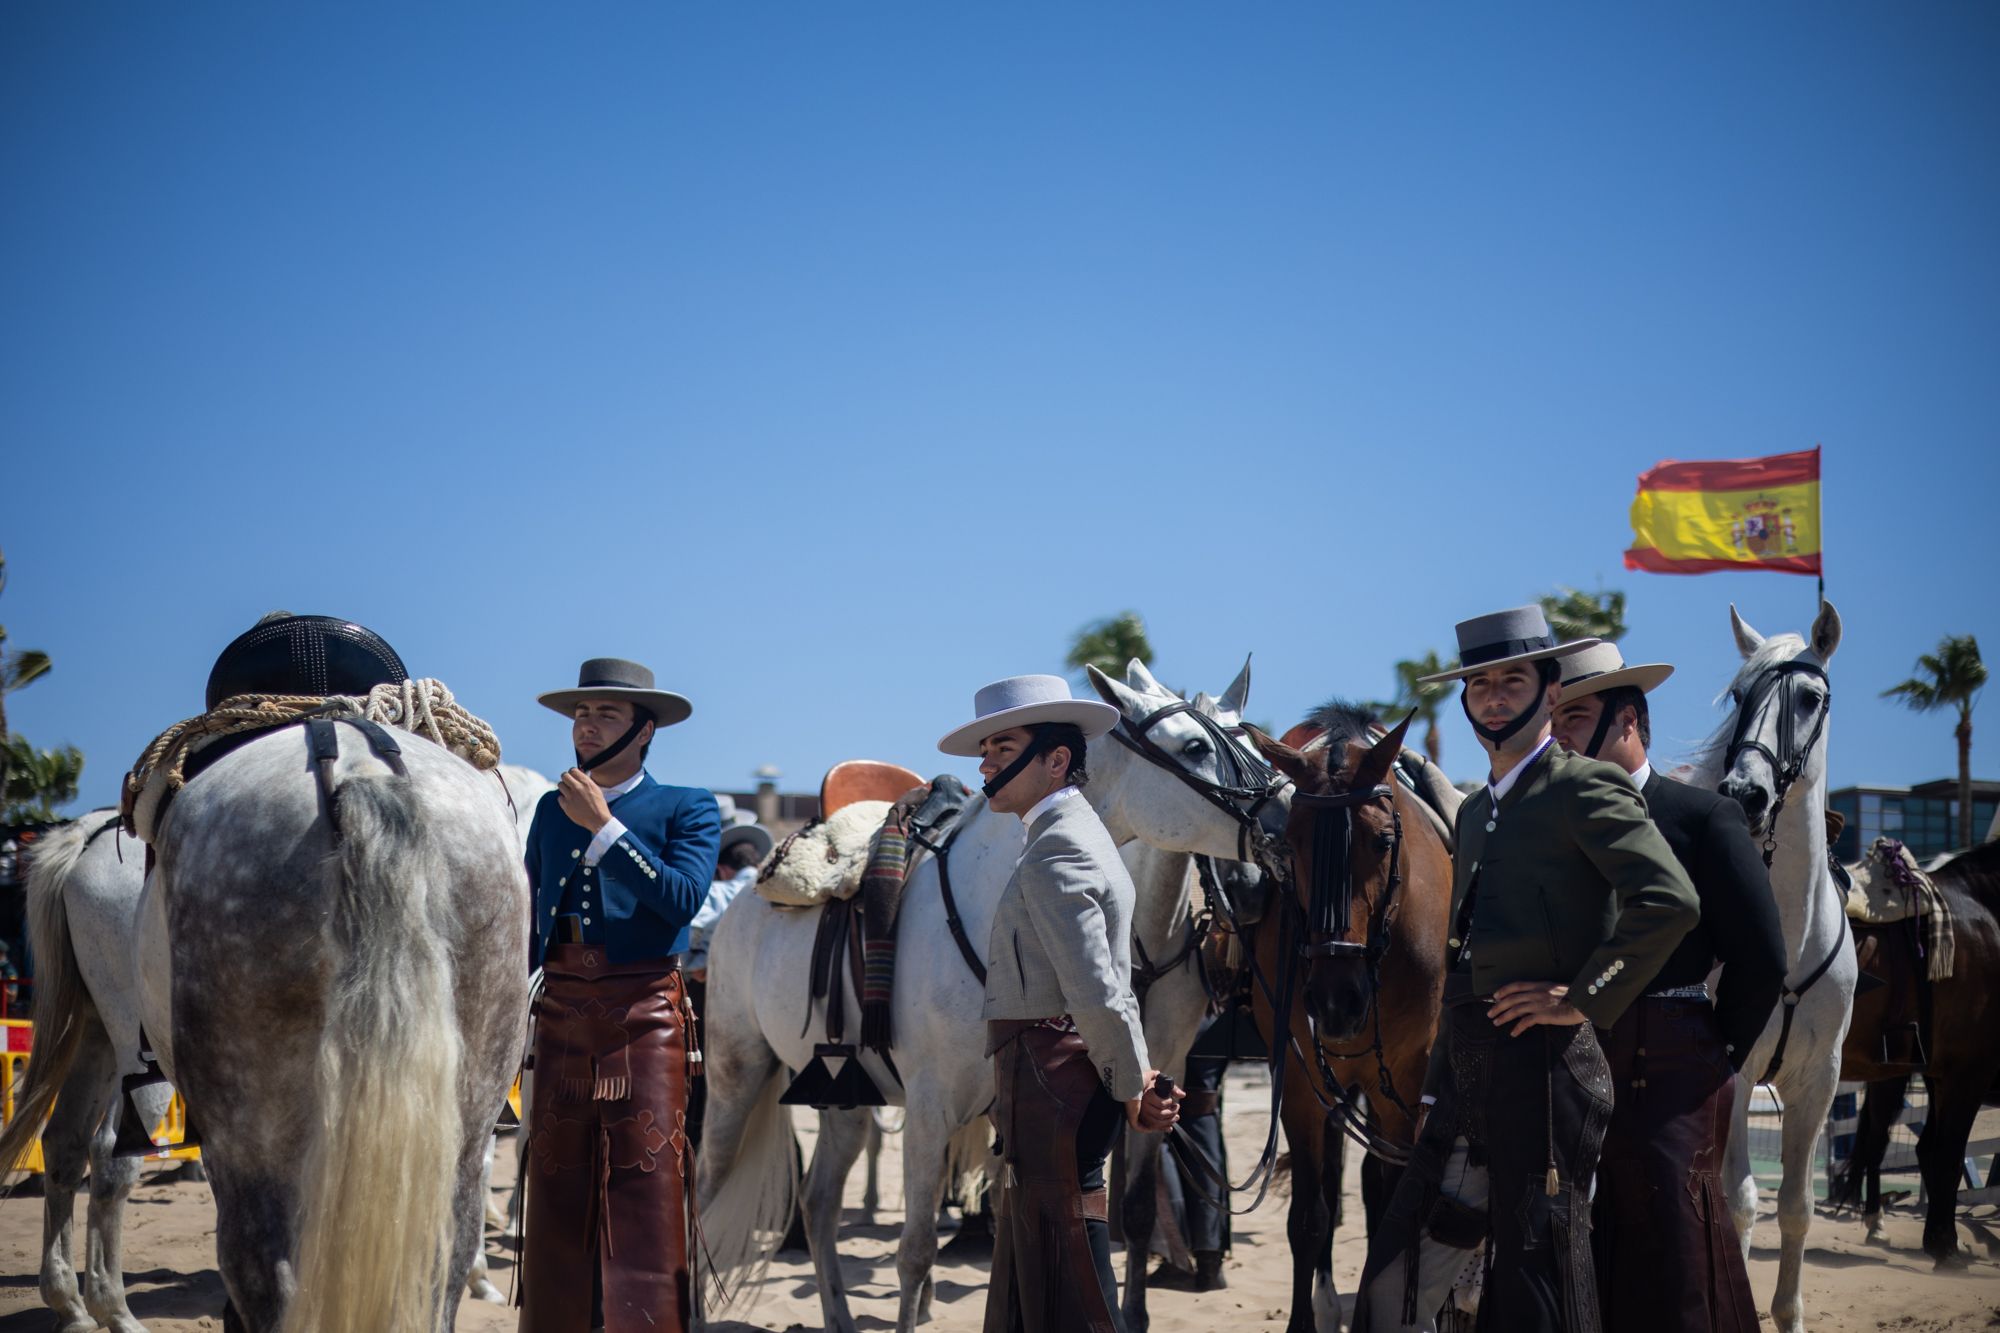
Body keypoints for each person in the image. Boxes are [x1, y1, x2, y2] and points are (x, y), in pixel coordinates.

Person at [1354, 606, 1699, 1333]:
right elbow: (1461, 960)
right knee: (1397, 1262)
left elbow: (1670, 900)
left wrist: (1581, 996)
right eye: (1480, 682)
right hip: (1467, 1069)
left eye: (1514, 678)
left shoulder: (1583, 786)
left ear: (1549, 691)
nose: (1494, 694)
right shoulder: (1478, 810)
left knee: (1537, 1273)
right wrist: (1431, 1092)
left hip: (1550, 1073)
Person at [1551, 642, 1785, 1333]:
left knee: (1682, 1249)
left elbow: (1762, 956)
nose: (1558, 729)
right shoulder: (1553, 824)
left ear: (1627, 720)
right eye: (1556, 715)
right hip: (1570, 1066)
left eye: (1577, 714)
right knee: (1586, 1245)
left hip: (1675, 1071)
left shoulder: (1699, 816)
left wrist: (1715, 1053)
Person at [938, 674, 1182, 1333]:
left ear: (1056, 759)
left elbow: (1098, 985)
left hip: (1054, 1079)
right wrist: (1133, 1076)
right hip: (1057, 1077)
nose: (985, 763)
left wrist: (1133, 1084)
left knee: (1068, 1255)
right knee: (1049, 1248)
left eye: (1001, 746)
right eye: (984, 748)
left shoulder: (1059, 847)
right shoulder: (1068, 833)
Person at [518, 657, 721, 1333]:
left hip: (644, 1014)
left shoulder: (687, 804)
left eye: (605, 712)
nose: (586, 723)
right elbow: (531, 920)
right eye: (581, 711)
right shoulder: (548, 809)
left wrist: (607, 828)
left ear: (644, 729)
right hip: (561, 1010)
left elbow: (682, 900)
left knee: (645, 1181)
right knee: (553, 1182)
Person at [683, 807, 772, 1151]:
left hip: (715, 1005)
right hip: (768, 1004)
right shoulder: (771, 890)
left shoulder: (717, 893)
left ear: (721, 868)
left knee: (703, 1089)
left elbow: (690, 931)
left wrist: (699, 962)